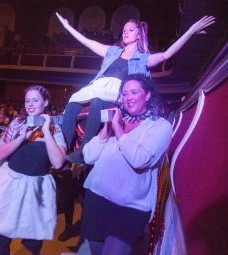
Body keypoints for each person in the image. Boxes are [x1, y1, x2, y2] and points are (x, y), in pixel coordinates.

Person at [55, 12, 215, 163]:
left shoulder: (143, 58)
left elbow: (166, 55)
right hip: (97, 86)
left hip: (117, 92)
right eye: (124, 30)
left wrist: (190, 31)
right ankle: (62, 149)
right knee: (73, 102)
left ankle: (84, 152)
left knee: (98, 101)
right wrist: (67, 27)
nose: (125, 32)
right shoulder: (112, 51)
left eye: (130, 30)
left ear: (139, 34)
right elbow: (86, 42)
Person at [80, 74, 172, 255]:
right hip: (98, 198)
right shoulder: (116, 122)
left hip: (130, 207)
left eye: (134, 92)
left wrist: (118, 130)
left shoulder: (160, 126)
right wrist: (106, 129)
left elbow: (140, 159)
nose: (128, 97)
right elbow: (88, 157)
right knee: (96, 249)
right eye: (124, 93)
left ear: (147, 95)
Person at [0, 85, 66, 255]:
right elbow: (0, 153)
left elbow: (58, 162)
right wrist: (21, 137)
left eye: (35, 100)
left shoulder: (55, 128)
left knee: (32, 235)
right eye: (27, 100)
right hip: (10, 184)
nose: (30, 104)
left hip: (35, 189)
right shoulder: (16, 123)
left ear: (45, 103)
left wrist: (46, 131)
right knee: (1, 238)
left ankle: (35, 254)